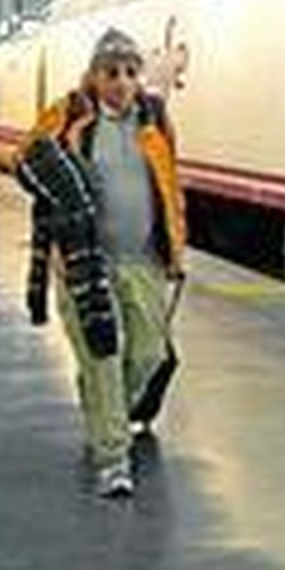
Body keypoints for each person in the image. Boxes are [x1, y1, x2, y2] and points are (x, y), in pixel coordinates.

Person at [19, 28, 187, 499]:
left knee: (148, 354)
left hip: (144, 261)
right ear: (93, 76)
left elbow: (171, 185)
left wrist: (176, 249)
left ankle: (101, 402)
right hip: (84, 264)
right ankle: (113, 458)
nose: (121, 81)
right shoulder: (70, 115)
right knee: (105, 355)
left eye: (130, 72)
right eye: (110, 72)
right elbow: (27, 158)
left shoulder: (154, 120)